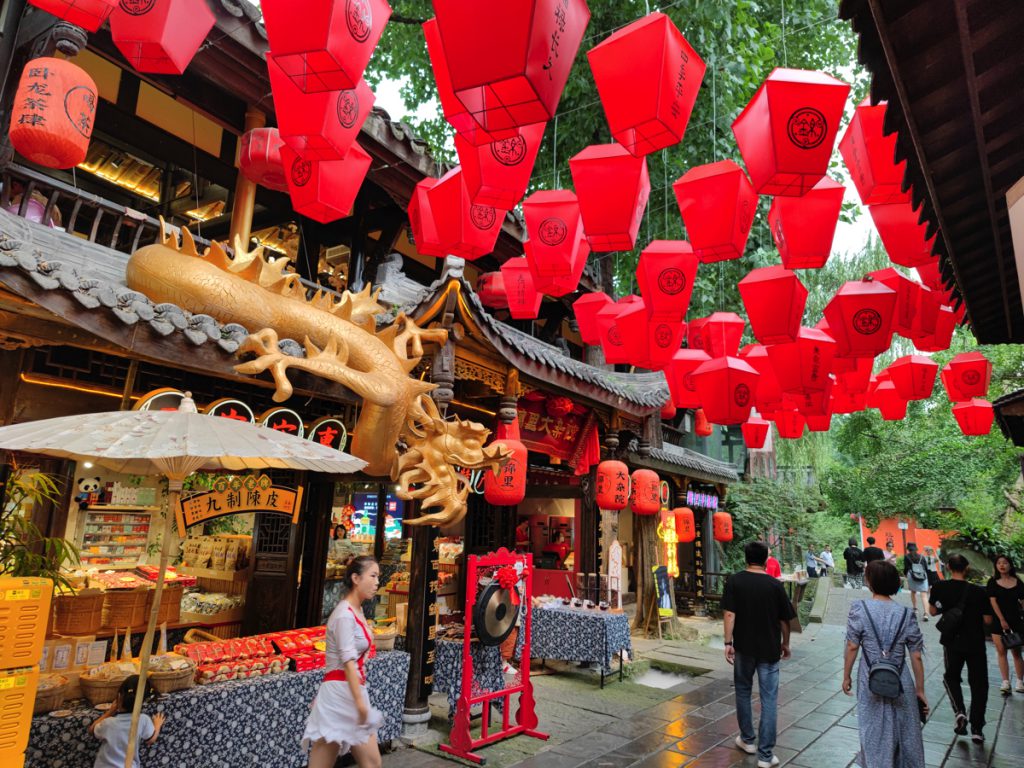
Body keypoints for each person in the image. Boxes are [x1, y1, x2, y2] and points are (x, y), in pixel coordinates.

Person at [842, 560, 928, 768]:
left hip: (869, 675)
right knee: (905, 727)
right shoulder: (907, 614)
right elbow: (916, 655)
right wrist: (920, 689)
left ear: (870, 582)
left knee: (872, 725)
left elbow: (852, 646)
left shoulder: (860, 608)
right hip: (900, 677)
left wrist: (846, 676)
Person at [303, 555, 383, 768]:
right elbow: (348, 661)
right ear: (356, 578)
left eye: (378, 577)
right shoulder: (344, 615)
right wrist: (359, 703)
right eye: (373, 576)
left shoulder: (356, 610)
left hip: (344, 691)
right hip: (343, 692)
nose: (377, 582)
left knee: (327, 759)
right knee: (372, 763)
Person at [722, 541, 796, 768]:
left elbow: (729, 615)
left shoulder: (735, 581)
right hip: (769, 649)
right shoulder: (774, 585)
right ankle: (765, 755)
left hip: (744, 647)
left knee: (743, 692)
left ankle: (747, 740)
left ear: (746, 558)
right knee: (769, 698)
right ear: (766, 559)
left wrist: (728, 642)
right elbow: (785, 620)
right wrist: (786, 643)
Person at [928, 554, 989, 742]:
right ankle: (977, 728)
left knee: (951, 677)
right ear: (967, 568)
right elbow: (987, 619)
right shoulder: (979, 591)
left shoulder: (939, 587)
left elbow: (932, 611)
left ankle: (960, 712)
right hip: (976, 642)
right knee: (979, 683)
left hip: (952, 641)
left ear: (947, 567)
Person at [89, 675, 165, 768]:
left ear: (119, 697)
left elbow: (92, 730)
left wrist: (109, 712)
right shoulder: (143, 719)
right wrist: (157, 725)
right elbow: (151, 739)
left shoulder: (108, 723)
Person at [986, 554, 1024, 694]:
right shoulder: (992, 582)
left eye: (1005, 563)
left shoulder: (1018, 582)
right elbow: (993, 602)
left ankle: (1020, 682)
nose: (1002, 565)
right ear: (996, 566)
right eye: (999, 563)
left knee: (1017, 652)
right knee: (1001, 651)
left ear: (1010, 565)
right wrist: (1002, 620)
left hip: (1016, 621)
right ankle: (1005, 682)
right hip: (998, 622)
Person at [903, 543, 930, 622]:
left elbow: (906, 567)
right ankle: (926, 614)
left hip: (912, 575)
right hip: (922, 576)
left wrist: (905, 575)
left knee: (913, 592)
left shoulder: (907, 556)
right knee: (924, 595)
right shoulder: (921, 556)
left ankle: (915, 609)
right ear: (916, 549)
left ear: (908, 549)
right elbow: (926, 567)